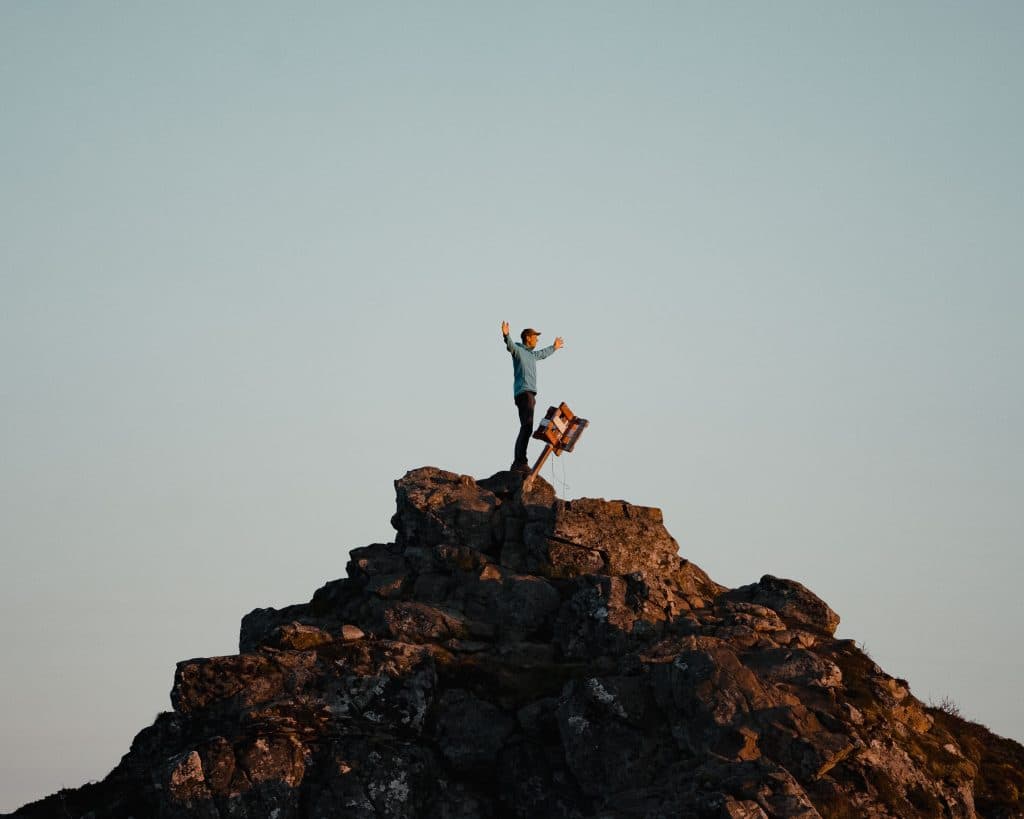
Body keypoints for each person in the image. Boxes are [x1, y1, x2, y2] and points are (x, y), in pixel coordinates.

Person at [501, 320, 565, 474]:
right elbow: (510, 345)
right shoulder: (518, 350)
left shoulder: (531, 355)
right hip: (524, 394)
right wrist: (506, 334)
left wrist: (554, 347)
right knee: (526, 426)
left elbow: (542, 354)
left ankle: (519, 461)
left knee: (526, 427)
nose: (537, 339)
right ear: (528, 338)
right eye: (535, 337)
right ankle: (520, 462)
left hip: (530, 394)